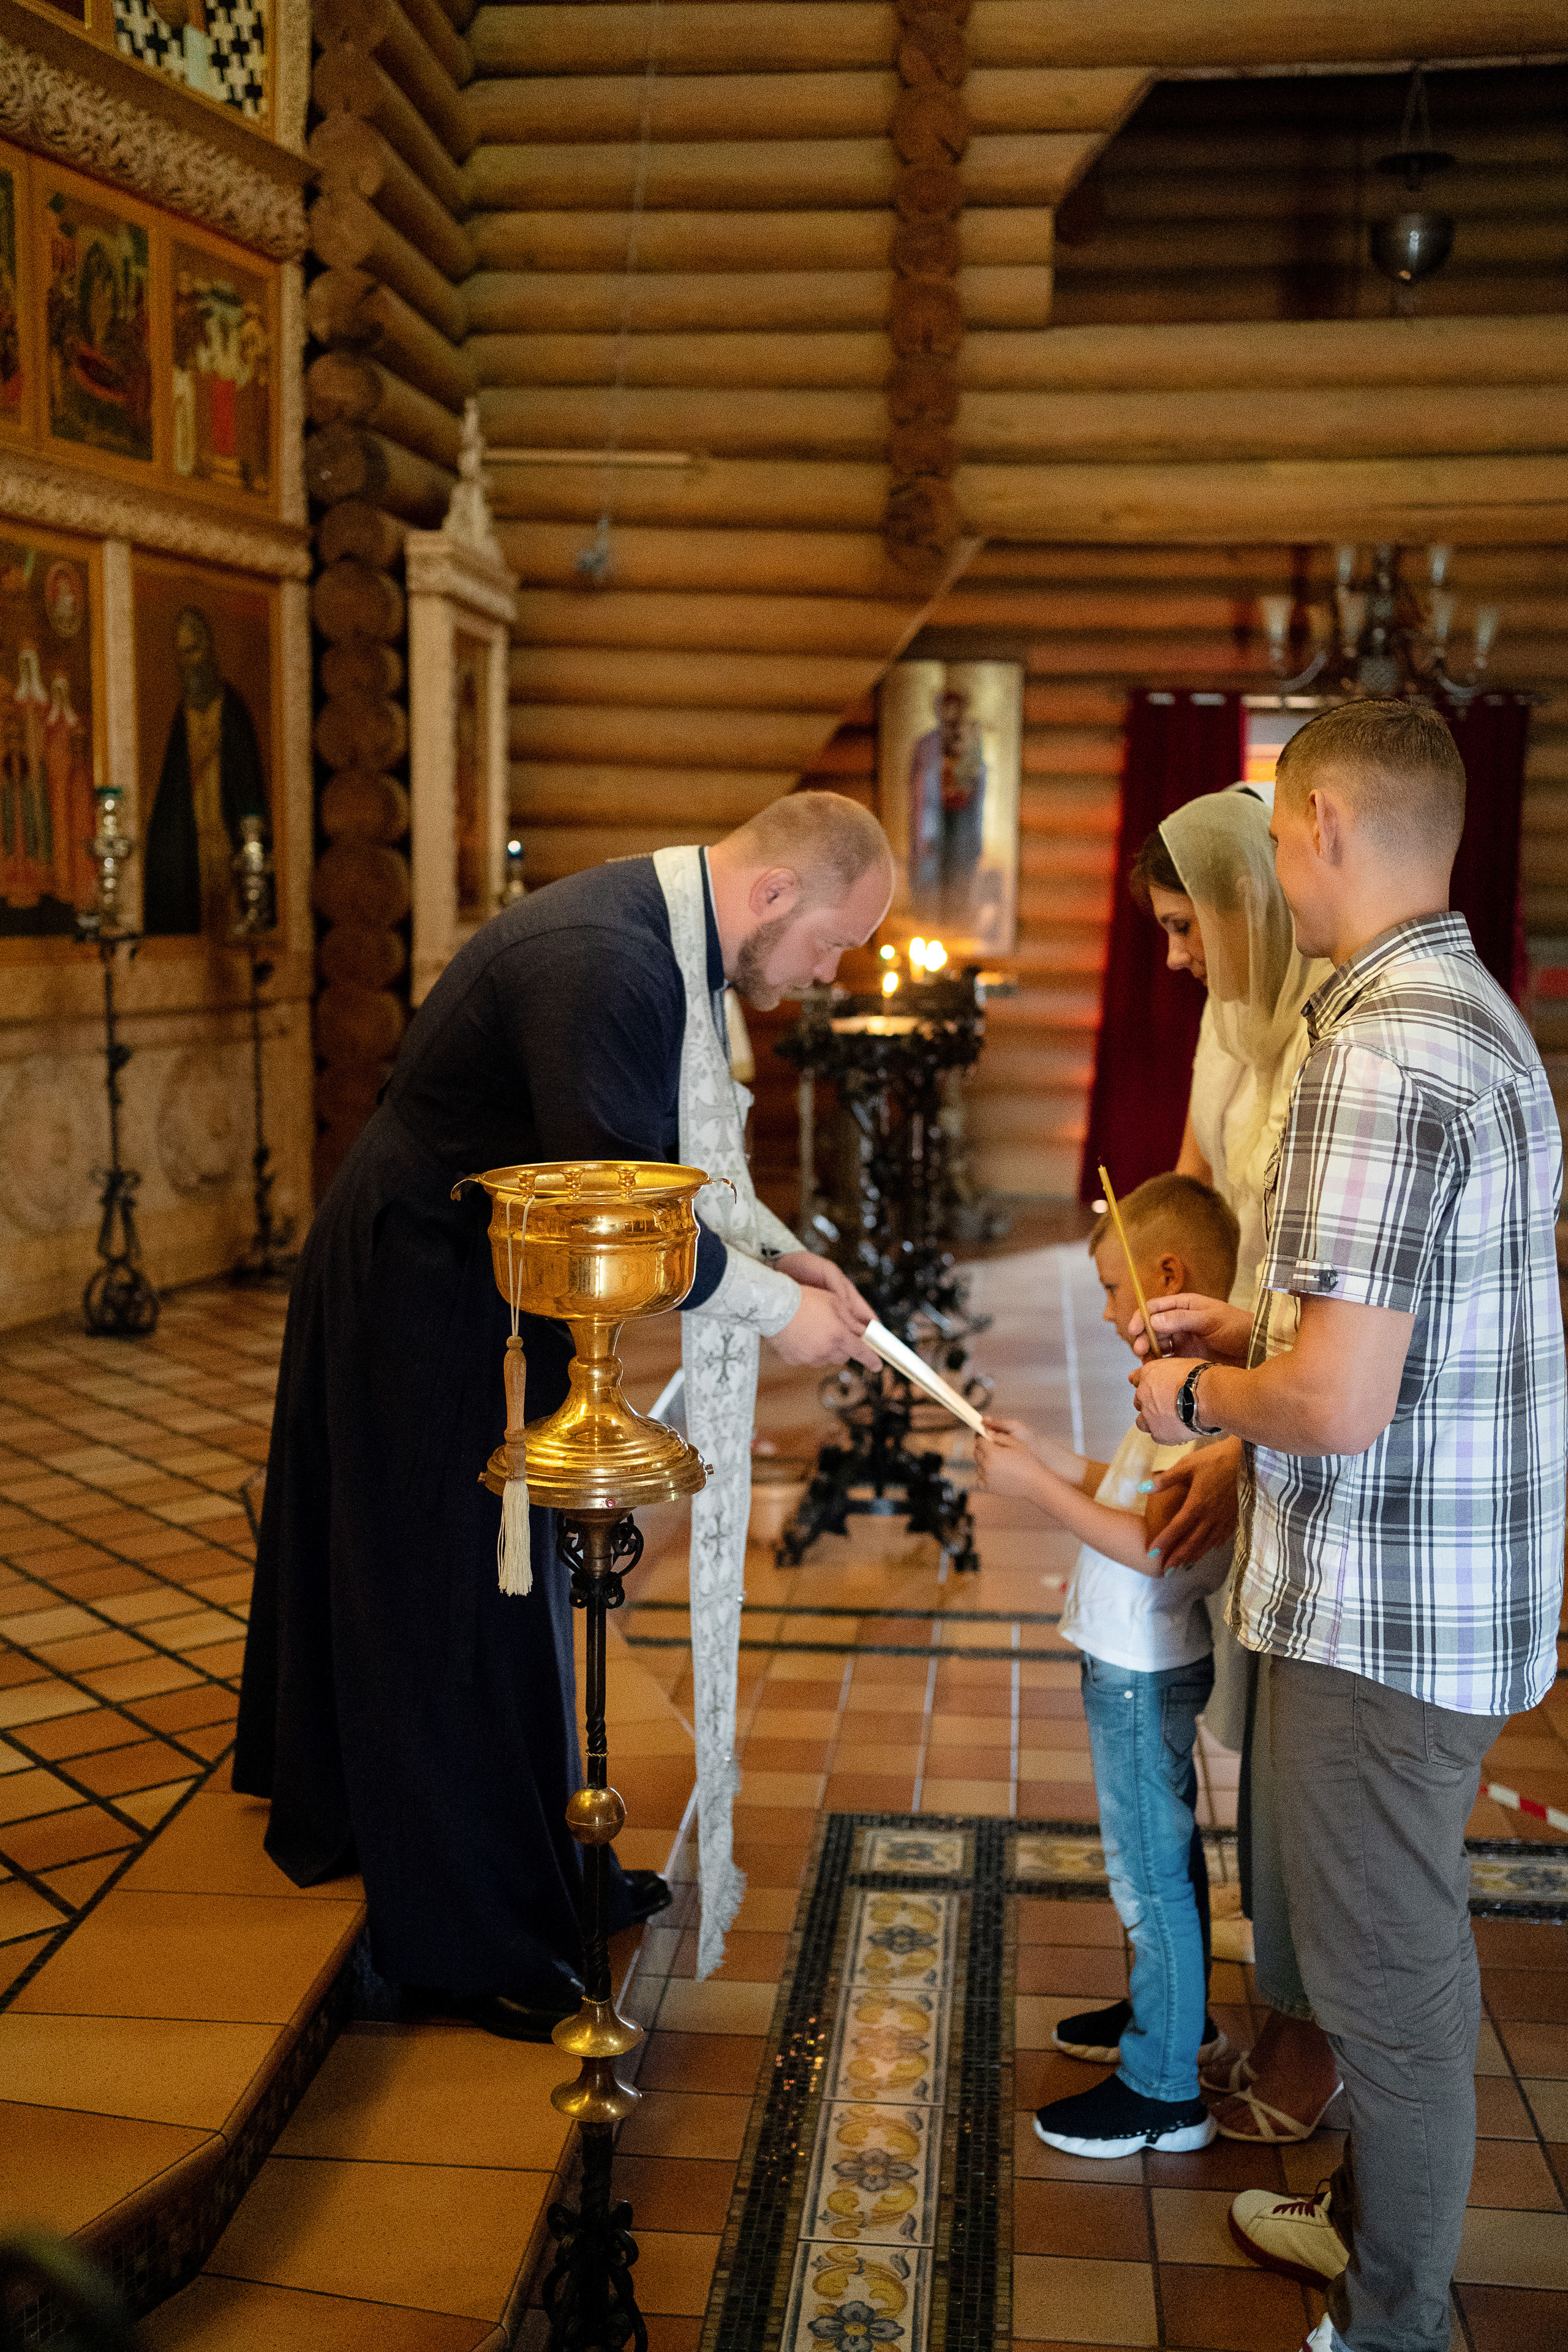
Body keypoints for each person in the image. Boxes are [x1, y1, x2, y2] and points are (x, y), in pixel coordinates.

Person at [236, 794, 891, 2038]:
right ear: (773, 896)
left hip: (484, 1279)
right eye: (835, 943)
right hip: (425, 1284)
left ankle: (537, 1873)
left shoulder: (666, 937)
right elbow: (615, 1209)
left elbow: (675, 1161)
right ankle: (465, 1944)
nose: (827, 975)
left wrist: (784, 1256)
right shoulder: (609, 961)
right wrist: (776, 1314)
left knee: (506, 1596)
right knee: (448, 1604)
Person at [1131, 701, 1566, 2352]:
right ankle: (1374, 2235)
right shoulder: (1470, 1009)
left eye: (1278, 839)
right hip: (1458, 1580)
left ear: (1317, 826)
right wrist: (1245, 1326)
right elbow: (1403, 1326)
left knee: (1387, 1973)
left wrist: (1195, 1395)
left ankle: (1392, 2322)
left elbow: (1333, 1405)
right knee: (1397, 1939)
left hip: (1384, 1602)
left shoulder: (1370, 1050)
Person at [1131, 788, 1342, 2146]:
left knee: (1300, 1749)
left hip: (1295, 1402)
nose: (1175, 958)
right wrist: (1152, 1287)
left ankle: (1311, 2026)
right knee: (1252, 1717)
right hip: (1229, 1367)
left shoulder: (1334, 1031)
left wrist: (1234, 1441)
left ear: (1241, 904)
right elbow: (1201, 1183)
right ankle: (1270, 1990)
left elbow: (1327, 1301)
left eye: (1182, 926)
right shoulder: (1230, 1015)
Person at [975, 1172, 1240, 2158]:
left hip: (1142, 1669)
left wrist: (1035, 1488)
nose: (1103, 1310)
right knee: (1163, 1861)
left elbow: (1155, 1544)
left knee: (1148, 1876)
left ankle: (1163, 2088)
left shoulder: (1206, 1396)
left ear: (1165, 1274)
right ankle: (1176, 2022)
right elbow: (1136, 1493)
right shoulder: (1185, 1377)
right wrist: (1050, 1455)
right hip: (1138, 1661)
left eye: (1110, 1287)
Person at [143, 604, 268, 937]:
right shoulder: (181, 715)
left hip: (227, 833)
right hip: (194, 835)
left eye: (194, 651)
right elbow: (173, 789)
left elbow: (246, 780)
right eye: (182, 654)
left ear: (208, 649)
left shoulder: (232, 709)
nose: (189, 662)